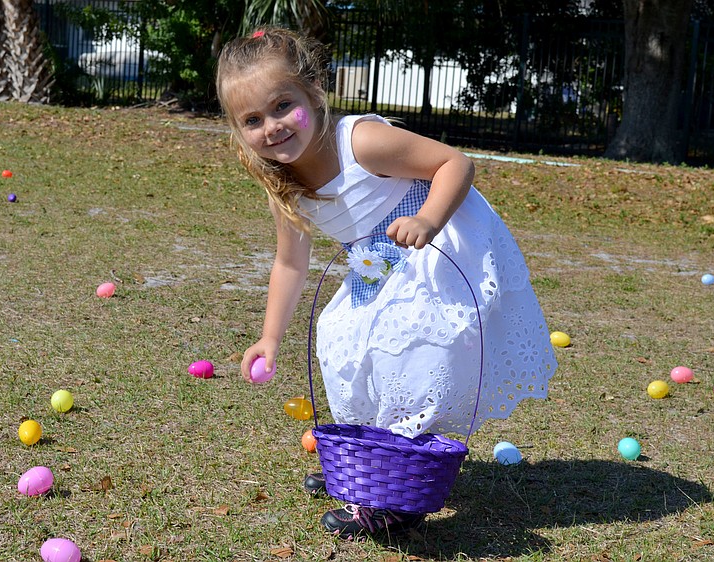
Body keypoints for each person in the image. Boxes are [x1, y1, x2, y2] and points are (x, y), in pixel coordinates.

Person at [215, 27, 557, 540]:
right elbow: (290, 265)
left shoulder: (360, 143)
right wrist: (269, 337)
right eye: (253, 120)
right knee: (344, 343)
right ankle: (372, 466)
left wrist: (427, 220)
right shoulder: (284, 184)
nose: (273, 127)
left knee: (411, 355)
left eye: (283, 105)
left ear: (314, 92)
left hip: (437, 247)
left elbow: (455, 163)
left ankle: (394, 499)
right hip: (378, 266)